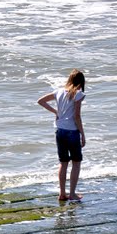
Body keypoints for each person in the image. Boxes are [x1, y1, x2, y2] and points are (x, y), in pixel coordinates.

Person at [36, 69, 86, 202]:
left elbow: (40, 101)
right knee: (76, 163)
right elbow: (77, 116)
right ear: (81, 82)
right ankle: (72, 194)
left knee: (63, 163)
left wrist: (56, 112)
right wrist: (82, 134)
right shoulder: (78, 93)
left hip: (59, 130)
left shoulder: (58, 91)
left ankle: (62, 193)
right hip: (72, 131)